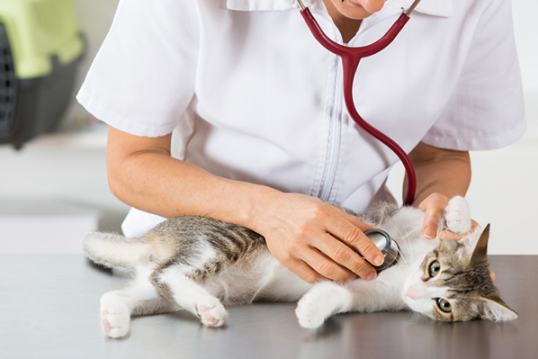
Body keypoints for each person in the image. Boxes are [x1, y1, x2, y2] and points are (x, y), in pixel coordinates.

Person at [77, 0, 525, 284]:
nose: (372, 5)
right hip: (195, 268)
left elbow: (440, 155)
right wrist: (268, 212)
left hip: (355, 270)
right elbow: (131, 163)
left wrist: (435, 203)